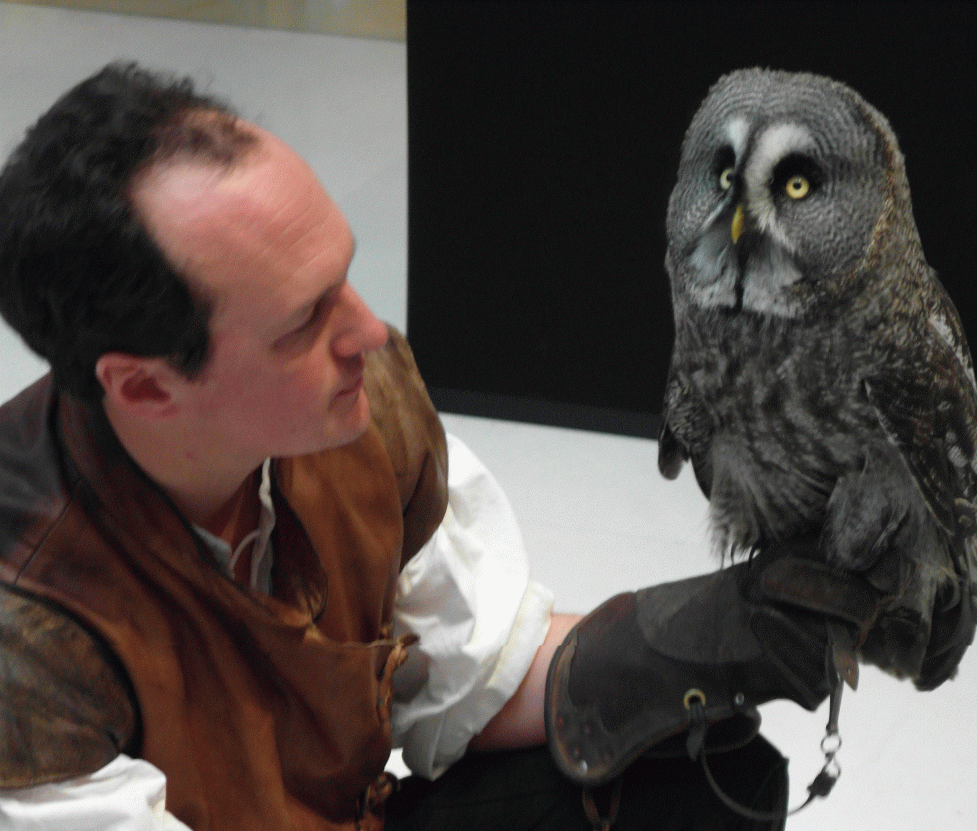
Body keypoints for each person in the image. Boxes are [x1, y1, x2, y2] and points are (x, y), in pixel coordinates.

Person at [0, 63, 876, 831]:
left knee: (700, 775)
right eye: (305, 321)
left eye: (342, 276)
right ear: (147, 386)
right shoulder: (25, 632)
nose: (368, 334)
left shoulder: (351, 413)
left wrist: (738, 627)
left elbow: (472, 678)